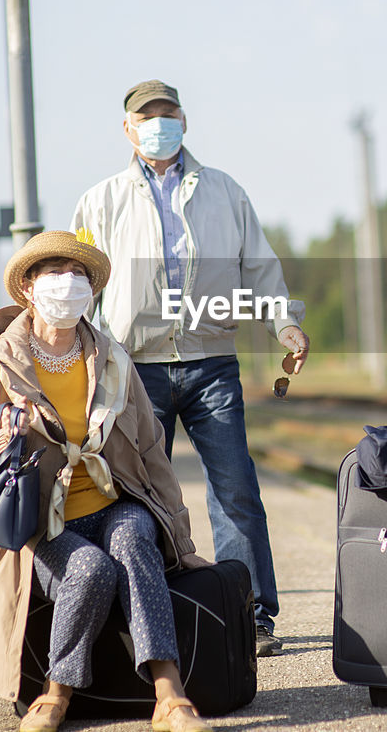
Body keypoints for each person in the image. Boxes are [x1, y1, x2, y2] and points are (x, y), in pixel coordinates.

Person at [0, 230, 214, 732]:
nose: (68, 283)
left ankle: (169, 695)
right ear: (27, 287)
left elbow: (153, 455)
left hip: (115, 503)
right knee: (89, 569)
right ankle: (55, 694)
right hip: (42, 525)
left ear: (92, 291)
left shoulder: (113, 360)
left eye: (79, 275)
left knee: (133, 536)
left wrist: (180, 533)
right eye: (54, 273)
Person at [70, 79, 309, 658]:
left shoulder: (224, 192)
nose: (158, 124)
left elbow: (261, 268)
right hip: (135, 370)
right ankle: (147, 613)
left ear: (184, 120)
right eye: (146, 117)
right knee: (137, 497)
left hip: (212, 364)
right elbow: (80, 287)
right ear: (127, 130)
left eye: (167, 113)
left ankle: (251, 616)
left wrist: (285, 324)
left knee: (235, 491)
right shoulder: (100, 201)